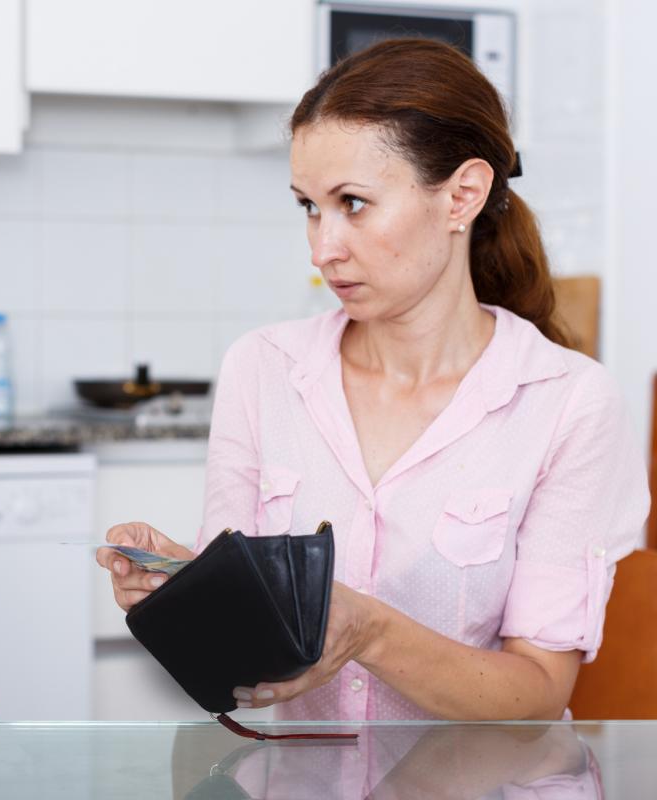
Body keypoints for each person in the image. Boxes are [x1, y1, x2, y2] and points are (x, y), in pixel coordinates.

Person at [98, 38, 650, 721]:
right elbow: (250, 637)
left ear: (463, 196)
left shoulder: (569, 404)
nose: (322, 247)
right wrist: (182, 582)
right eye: (308, 206)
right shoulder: (262, 369)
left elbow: (536, 694)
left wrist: (371, 629)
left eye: (353, 203)